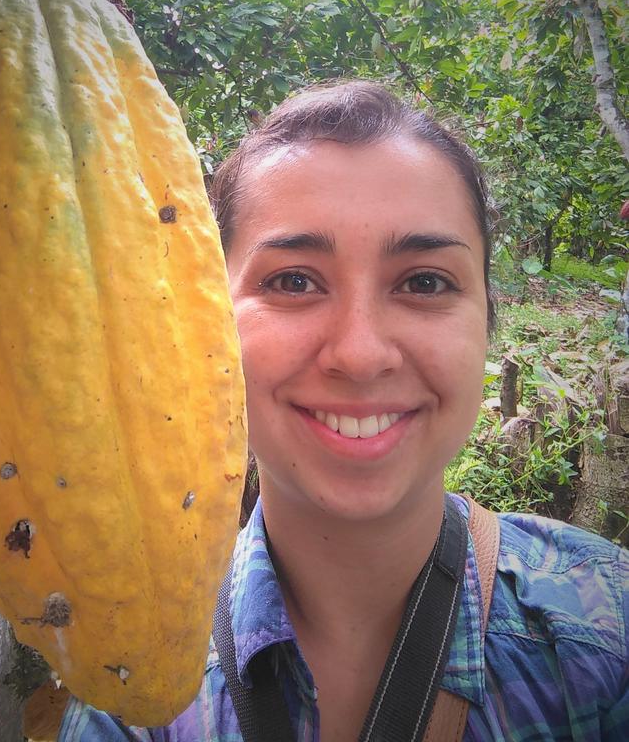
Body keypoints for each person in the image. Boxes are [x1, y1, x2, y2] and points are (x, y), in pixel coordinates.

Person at [59, 80, 628, 741]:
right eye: (293, 281)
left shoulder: (602, 634)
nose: (360, 355)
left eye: (424, 282)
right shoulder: (138, 695)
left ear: (486, 326)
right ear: (205, 325)